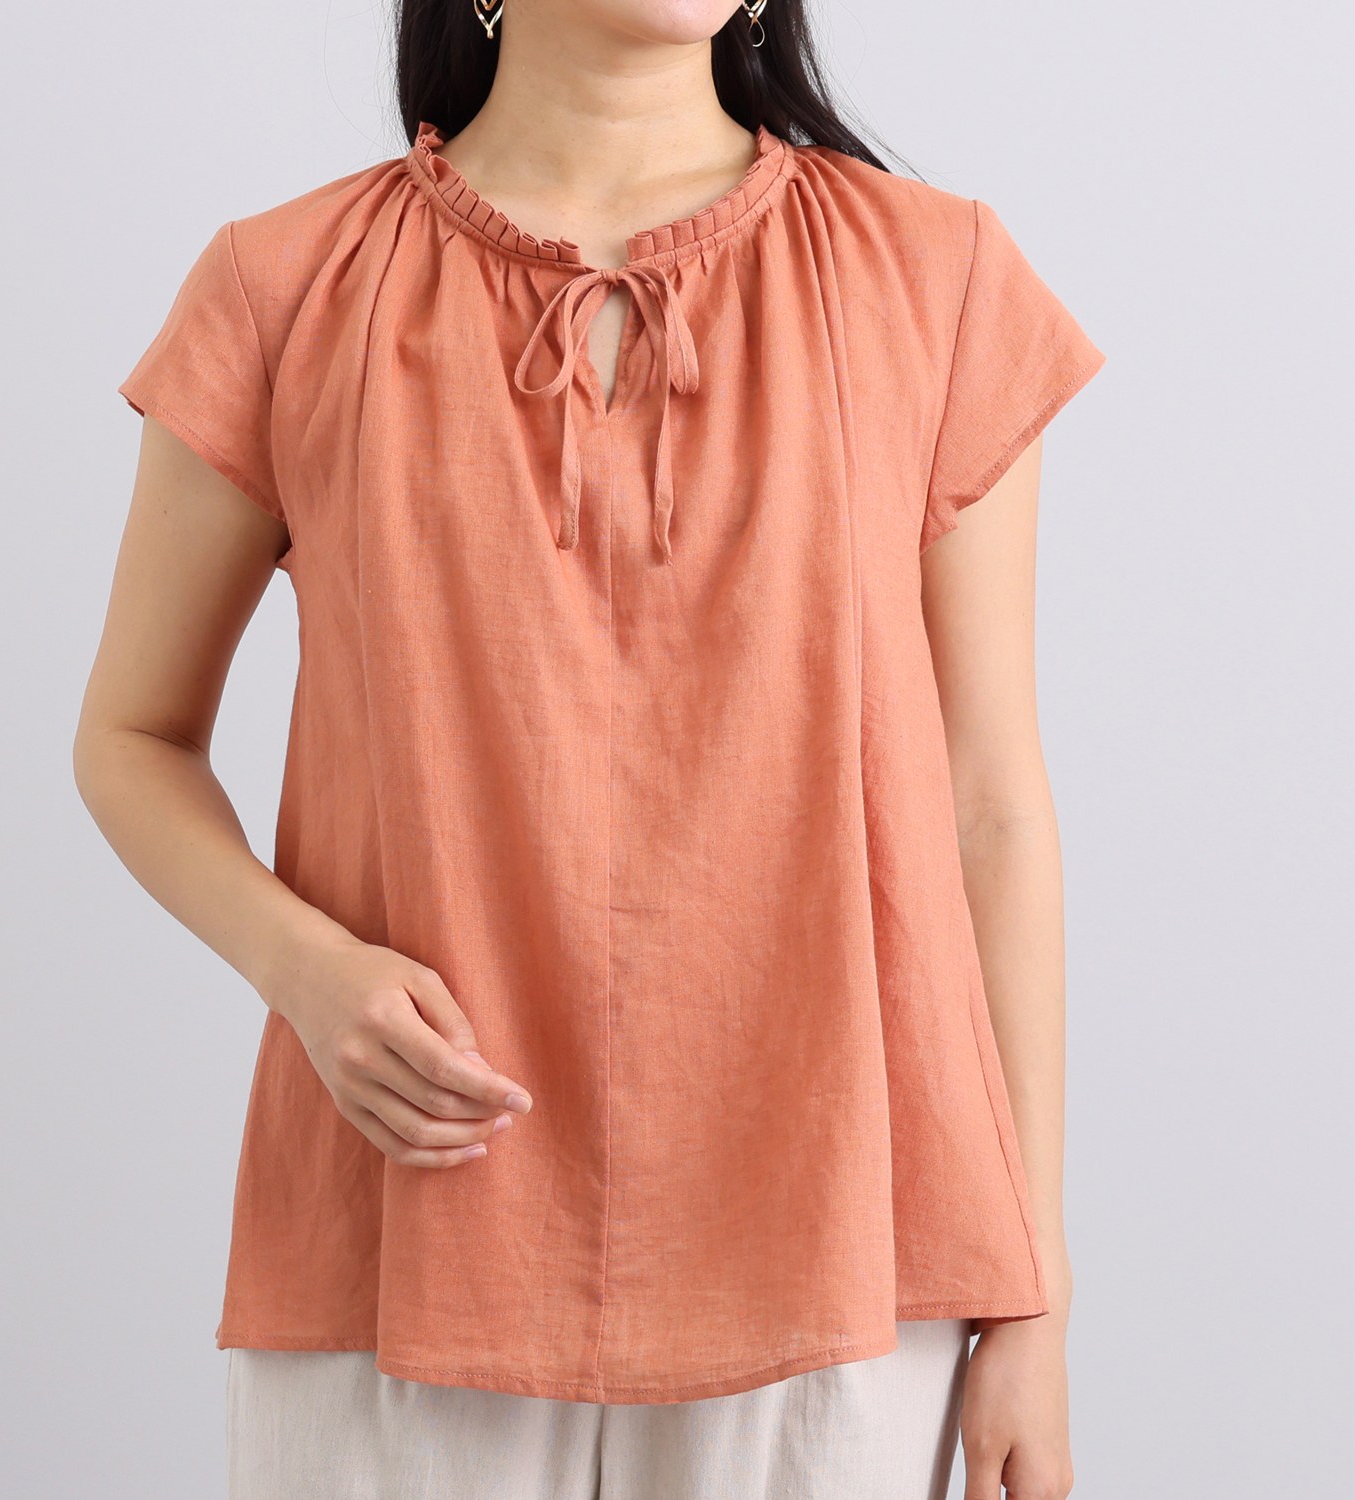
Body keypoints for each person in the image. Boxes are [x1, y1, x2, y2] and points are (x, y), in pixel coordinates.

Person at [74, 2, 1105, 1496]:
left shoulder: (930, 279)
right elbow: (131, 735)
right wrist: (307, 970)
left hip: (843, 1243)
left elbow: (990, 806)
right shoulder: (284, 286)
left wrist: (1037, 1300)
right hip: (407, 1221)